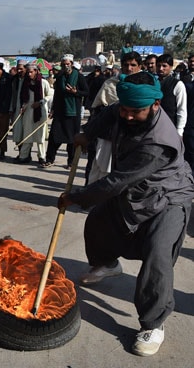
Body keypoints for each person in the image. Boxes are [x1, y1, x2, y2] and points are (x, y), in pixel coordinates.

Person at [58, 71, 194, 357]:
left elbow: (117, 181)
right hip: (136, 191)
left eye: (137, 112)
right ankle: (107, 263)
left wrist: (76, 197)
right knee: (97, 221)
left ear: (155, 105)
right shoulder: (122, 110)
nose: (129, 116)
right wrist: (88, 132)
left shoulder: (158, 141)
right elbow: (109, 114)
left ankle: (153, 324)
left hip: (169, 196)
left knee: (157, 255)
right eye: (126, 109)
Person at [86, 51, 143, 183]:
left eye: (133, 65)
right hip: (109, 135)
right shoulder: (110, 84)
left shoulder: (144, 87)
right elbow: (98, 110)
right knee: (101, 170)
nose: (129, 68)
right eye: (126, 65)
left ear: (139, 66)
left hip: (134, 136)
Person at [42, 54, 88, 168]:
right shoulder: (60, 77)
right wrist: (52, 109)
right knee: (54, 137)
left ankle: (71, 162)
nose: (66, 66)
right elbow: (57, 95)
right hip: (60, 112)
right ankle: (49, 159)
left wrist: (75, 92)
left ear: (71, 64)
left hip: (73, 113)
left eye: (68, 64)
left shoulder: (79, 77)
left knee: (72, 139)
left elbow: (87, 92)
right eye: (63, 64)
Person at [14, 64, 48, 164]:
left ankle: (42, 157)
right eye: (28, 72)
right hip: (28, 111)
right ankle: (23, 156)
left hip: (40, 112)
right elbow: (24, 97)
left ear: (36, 71)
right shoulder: (25, 83)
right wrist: (23, 106)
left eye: (31, 72)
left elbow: (50, 95)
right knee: (27, 134)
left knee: (40, 136)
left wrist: (40, 102)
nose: (29, 74)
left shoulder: (43, 82)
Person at [156, 54, 187, 137]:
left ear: (171, 67)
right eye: (158, 66)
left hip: (170, 128)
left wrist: (179, 132)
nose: (160, 69)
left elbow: (182, 110)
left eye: (164, 66)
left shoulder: (177, 84)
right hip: (153, 128)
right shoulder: (152, 83)